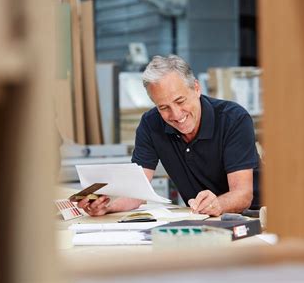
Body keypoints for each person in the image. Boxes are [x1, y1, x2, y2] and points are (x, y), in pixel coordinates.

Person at [78, 55, 260, 217]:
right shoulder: (151, 124)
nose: (176, 115)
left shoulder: (233, 119)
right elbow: (137, 192)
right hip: (204, 218)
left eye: (180, 101)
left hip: (257, 215)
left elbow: (243, 195)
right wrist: (107, 206)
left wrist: (217, 204)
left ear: (196, 88)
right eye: (163, 107)